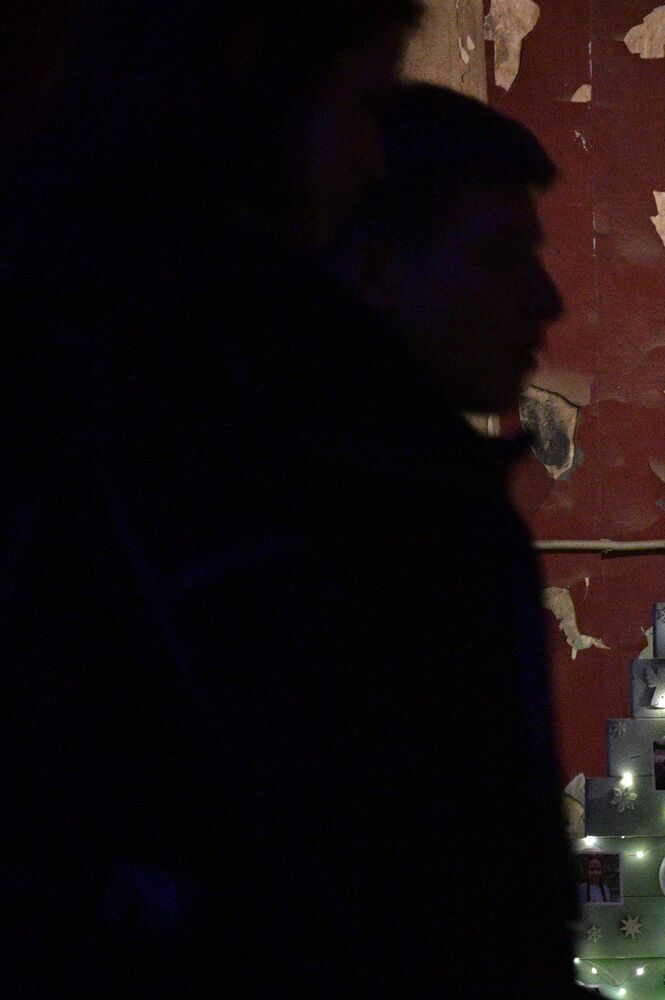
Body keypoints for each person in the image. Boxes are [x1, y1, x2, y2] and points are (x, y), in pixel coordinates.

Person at [6, 47, 582, 994]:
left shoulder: (397, 486)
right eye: (495, 255)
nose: (545, 299)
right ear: (369, 268)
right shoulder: (317, 511)